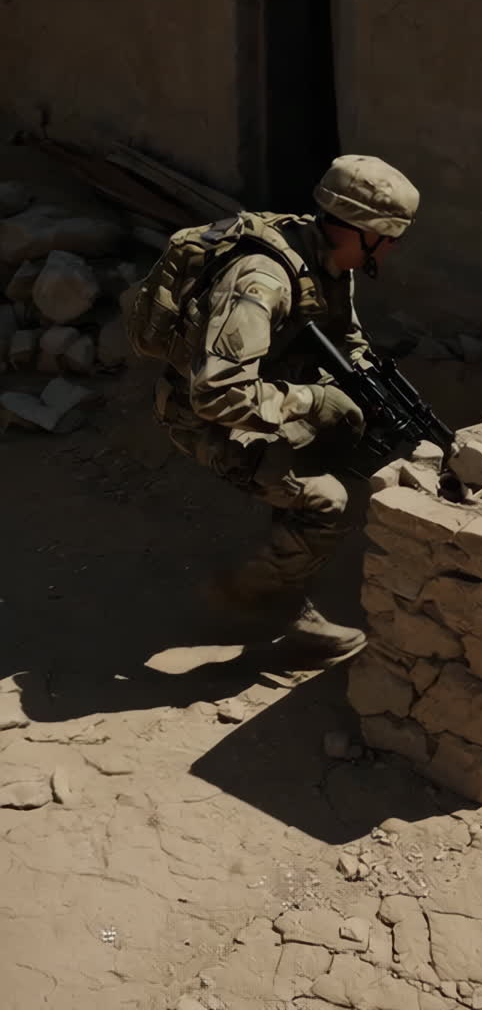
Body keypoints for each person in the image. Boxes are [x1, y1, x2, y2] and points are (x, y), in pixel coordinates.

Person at [148, 154, 420, 664]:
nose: (394, 247)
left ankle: (289, 542)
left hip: (265, 393)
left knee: (349, 435)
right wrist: (313, 400)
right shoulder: (262, 282)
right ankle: (259, 601)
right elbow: (216, 394)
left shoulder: (326, 260)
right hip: (202, 417)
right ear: (360, 230)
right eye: (390, 236)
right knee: (328, 499)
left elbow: (345, 339)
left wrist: (369, 385)